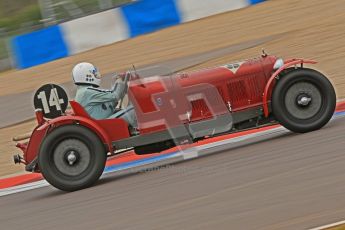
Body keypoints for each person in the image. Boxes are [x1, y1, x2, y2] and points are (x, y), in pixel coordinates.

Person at [72, 62, 137, 132]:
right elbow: (115, 95)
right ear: (87, 76)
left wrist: (123, 84)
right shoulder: (87, 92)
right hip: (103, 126)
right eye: (94, 73)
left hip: (101, 123)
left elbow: (111, 101)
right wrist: (119, 80)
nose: (96, 75)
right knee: (135, 109)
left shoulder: (83, 91)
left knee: (129, 109)